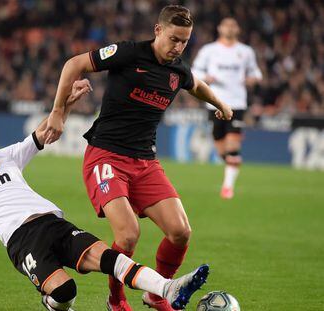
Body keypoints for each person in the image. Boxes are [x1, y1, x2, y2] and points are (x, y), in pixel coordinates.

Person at [0, 80, 209, 311]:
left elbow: (45, 132)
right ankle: (52, 302)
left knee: (111, 259)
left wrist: (66, 104)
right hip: (22, 242)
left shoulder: (2, 159)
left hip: (54, 223)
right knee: (65, 292)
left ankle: (167, 289)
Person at [44, 5, 232, 311]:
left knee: (181, 231)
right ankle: (115, 299)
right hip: (106, 156)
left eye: (185, 41)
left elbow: (196, 86)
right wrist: (56, 112)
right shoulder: (129, 53)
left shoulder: (178, 71)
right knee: (129, 234)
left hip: (145, 162)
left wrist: (221, 104)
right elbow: (74, 64)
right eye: (174, 39)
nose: (178, 47)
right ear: (158, 30)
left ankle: (157, 293)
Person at [192, 17, 262, 199]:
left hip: (237, 103)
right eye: (226, 25)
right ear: (219, 28)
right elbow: (194, 71)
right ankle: (232, 163)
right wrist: (206, 77)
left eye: (233, 25)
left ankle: (227, 187)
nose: (230, 28)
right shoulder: (209, 50)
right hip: (214, 102)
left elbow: (256, 73)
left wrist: (252, 79)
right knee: (221, 147)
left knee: (232, 145)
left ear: (237, 29)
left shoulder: (245, 52)